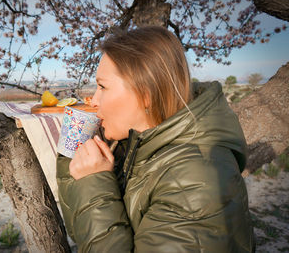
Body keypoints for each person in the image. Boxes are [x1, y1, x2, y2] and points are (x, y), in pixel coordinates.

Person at [56, 26, 254, 252]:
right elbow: (85, 232)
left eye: (102, 86)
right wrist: (72, 154)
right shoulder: (134, 148)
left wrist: (94, 183)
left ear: (146, 94)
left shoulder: (195, 180)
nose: (93, 101)